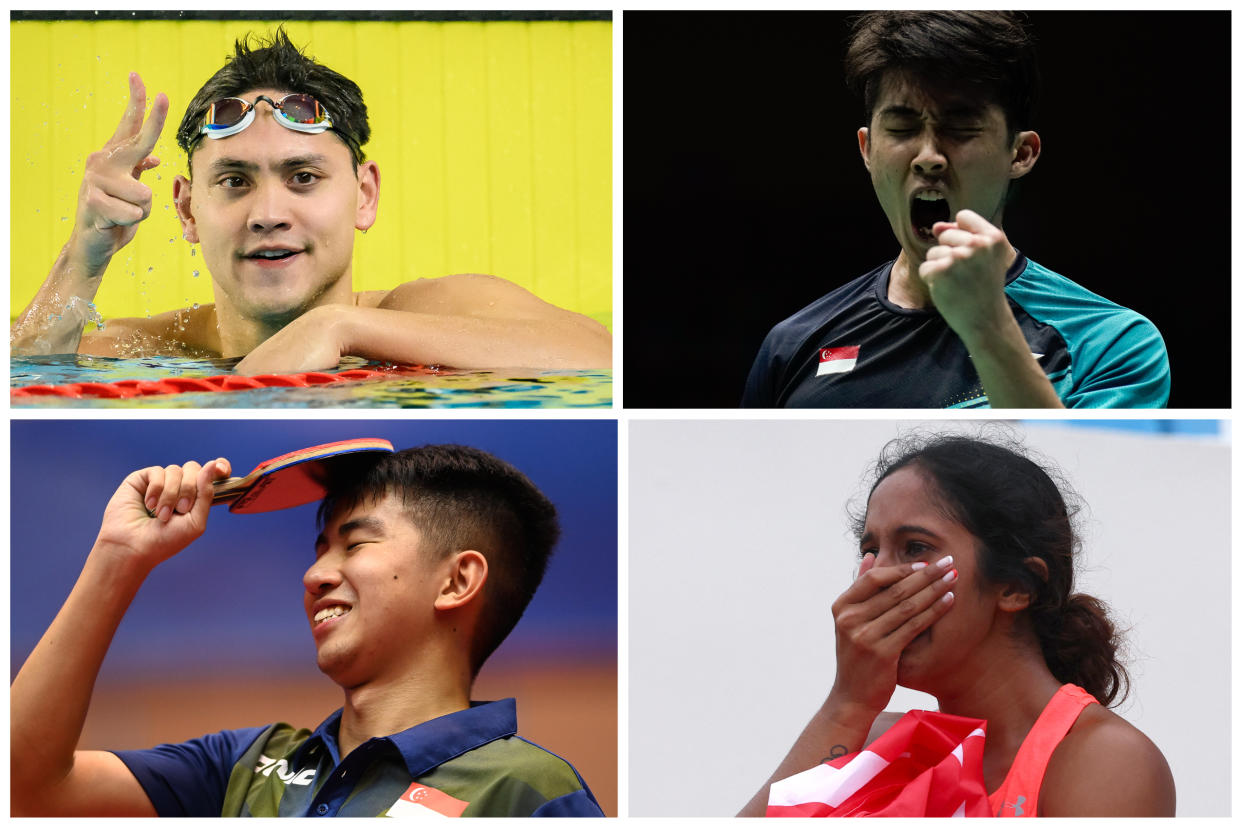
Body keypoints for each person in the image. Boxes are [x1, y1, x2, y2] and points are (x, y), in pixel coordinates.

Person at [11, 444, 605, 817]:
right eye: (320, 549)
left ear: (456, 582)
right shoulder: (243, 767)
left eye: (357, 544)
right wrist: (119, 556)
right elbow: (22, 788)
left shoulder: (531, 792)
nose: (316, 574)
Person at [9, 29, 611, 375]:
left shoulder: (427, 310)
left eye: (302, 177)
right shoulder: (162, 348)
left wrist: (340, 326)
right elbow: (22, 369)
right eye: (235, 182)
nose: (269, 213)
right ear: (188, 211)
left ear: (364, 196)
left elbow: (601, 356)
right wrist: (83, 259)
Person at [742, 12, 1168, 408]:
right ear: (868, 149)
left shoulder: (1110, 344)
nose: (929, 156)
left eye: (961, 127)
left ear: (1020, 153)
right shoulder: (793, 345)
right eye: (903, 128)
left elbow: (1072, 486)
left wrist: (988, 324)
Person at [737, 434, 1175, 816]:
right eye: (871, 550)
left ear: (1016, 586)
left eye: (915, 548)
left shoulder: (1102, 759)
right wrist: (847, 704)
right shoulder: (876, 739)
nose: (876, 580)